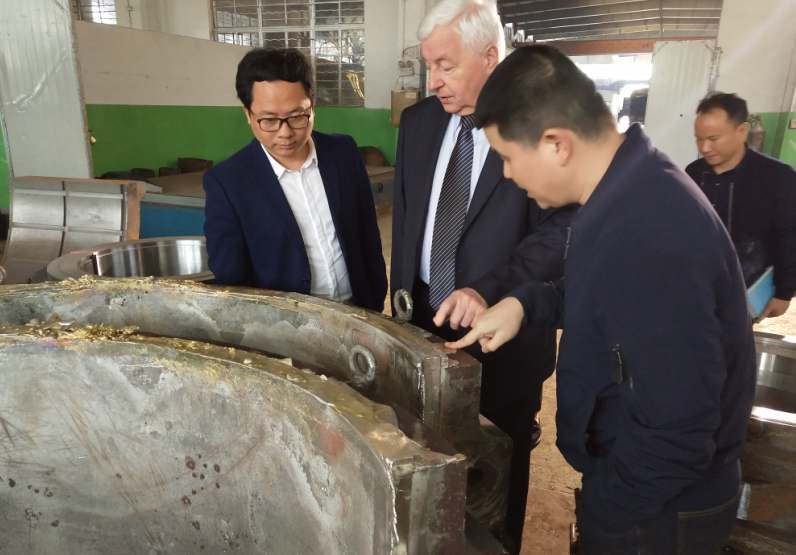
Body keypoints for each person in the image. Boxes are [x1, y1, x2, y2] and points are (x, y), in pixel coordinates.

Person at [449, 45, 756, 554]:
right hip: (642, 487)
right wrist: (526, 305)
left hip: (657, 511)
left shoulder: (647, 231)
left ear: (556, 144)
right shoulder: (626, 188)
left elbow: (677, 431)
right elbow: (604, 293)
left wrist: (606, 515)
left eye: (507, 157)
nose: (507, 175)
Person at [390, 1, 574, 551]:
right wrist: (401, 293)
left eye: (446, 66)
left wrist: (488, 290)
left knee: (498, 468)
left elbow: (562, 230)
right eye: (429, 66)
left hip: (504, 338)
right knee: (428, 457)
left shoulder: (542, 125)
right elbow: (408, 214)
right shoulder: (420, 122)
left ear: (490, 57)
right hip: (423, 326)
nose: (433, 81)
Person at [203, 48, 387, 312]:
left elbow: (367, 233)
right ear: (247, 113)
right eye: (269, 120)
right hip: (287, 327)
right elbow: (233, 279)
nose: (285, 133)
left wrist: (375, 300)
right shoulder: (228, 183)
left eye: (297, 117)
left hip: (359, 312)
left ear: (312, 106)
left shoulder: (343, 153)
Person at [686, 93, 796, 319]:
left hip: (747, 291)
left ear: (742, 130)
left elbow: (789, 236)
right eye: (699, 139)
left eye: (714, 138)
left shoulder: (777, 177)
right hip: (697, 287)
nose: (705, 147)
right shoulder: (694, 173)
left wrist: (784, 292)